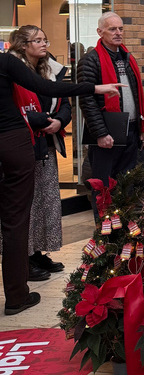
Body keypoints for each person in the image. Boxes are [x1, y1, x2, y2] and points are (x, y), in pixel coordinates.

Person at [0, 50, 122, 316]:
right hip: (11, 141)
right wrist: (94, 87)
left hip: (12, 140)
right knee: (15, 222)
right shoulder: (4, 61)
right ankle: (16, 296)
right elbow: (44, 86)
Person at [9, 26, 72, 280]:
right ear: (23, 45)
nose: (44, 44)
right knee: (27, 206)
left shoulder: (51, 68)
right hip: (22, 147)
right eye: (37, 40)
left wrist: (59, 121)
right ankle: (22, 258)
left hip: (46, 145)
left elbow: (64, 103)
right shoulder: (12, 70)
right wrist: (36, 120)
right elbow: (12, 108)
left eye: (45, 39)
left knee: (46, 204)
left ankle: (37, 253)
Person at [77, 12, 144, 190]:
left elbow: (136, 97)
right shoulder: (90, 61)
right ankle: (104, 219)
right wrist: (100, 133)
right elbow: (87, 101)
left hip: (130, 129)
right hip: (107, 131)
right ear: (100, 32)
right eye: (112, 29)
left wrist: (141, 127)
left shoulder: (127, 58)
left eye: (121, 29)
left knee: (127, 183)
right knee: (104, 185)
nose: (118, 33)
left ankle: (123, 219)